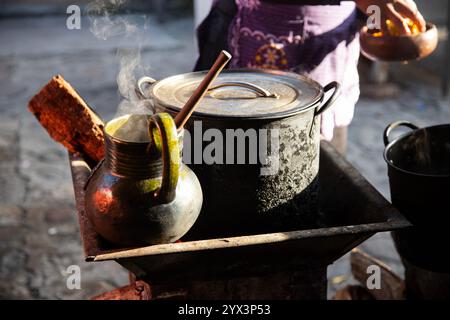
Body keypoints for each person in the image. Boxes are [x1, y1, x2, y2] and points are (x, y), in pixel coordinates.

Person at [194, 0, 426, 155]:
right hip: (253, 39)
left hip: (329, 55)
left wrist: (375, 18)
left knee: (323, 172)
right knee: (243, 161)